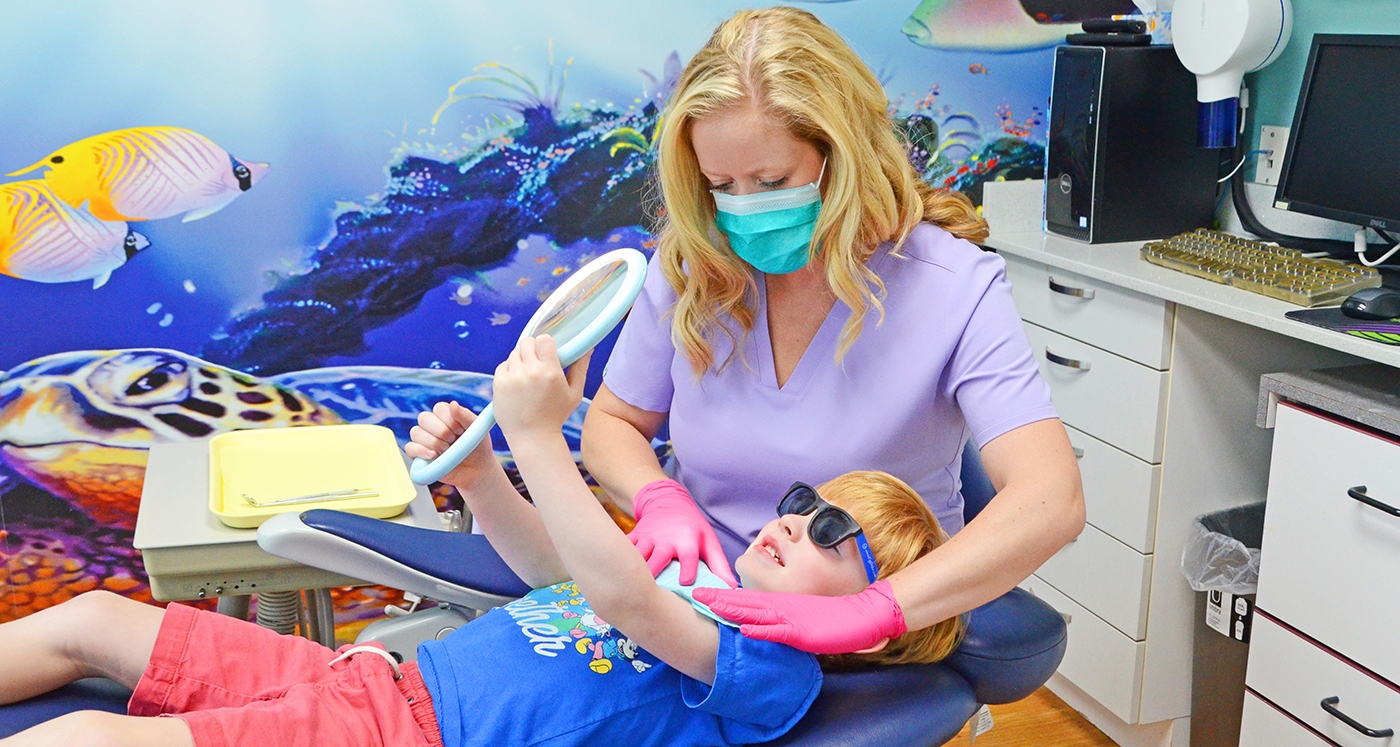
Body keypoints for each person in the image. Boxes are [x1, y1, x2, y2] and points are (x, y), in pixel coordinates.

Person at [0, 335, 962, 747]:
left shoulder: (770, 675)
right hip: (366, 684)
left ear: (869, 624)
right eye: (807, 498)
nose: (797, 515)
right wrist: (481, 475)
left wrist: (544, 435)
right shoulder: (707, 586)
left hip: (408, 733)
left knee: (87, 736)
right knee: (87, 617)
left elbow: (623, 598)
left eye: (835, 531)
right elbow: (554, 574)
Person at [581, 6, 1085, 655]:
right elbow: (613, 423)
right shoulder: (695, 268)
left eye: (771, 181)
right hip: (703, 620)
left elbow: (1053, 496)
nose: (743, 207)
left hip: (873, 641)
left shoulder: (951, 284)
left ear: (843, 154)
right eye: (720, 184)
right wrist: (657, 496)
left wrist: (875, 610)